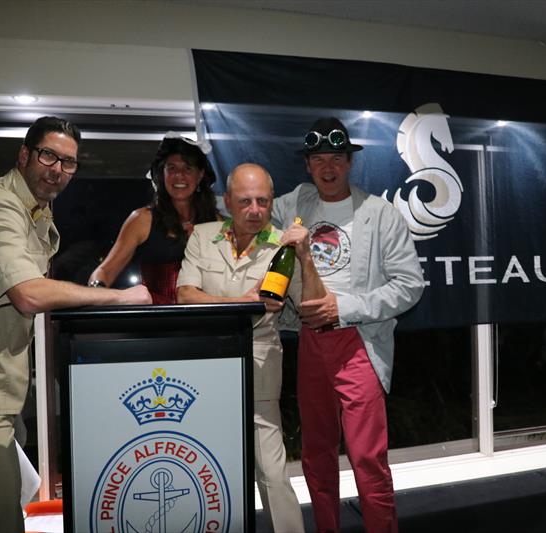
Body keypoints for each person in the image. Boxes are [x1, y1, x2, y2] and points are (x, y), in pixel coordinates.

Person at [0, 116, 152, 533]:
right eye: (48, 156)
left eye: (69, 163)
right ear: (24, 155)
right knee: (0, 511)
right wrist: (120, 295)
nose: (57, 169)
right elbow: (28, 293)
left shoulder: (35, 209)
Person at [271, 117, 424, 533]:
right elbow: (248, 208)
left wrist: (346, 307)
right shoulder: (293, 205)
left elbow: (410, 286)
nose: (327, 167)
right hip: (310, 342)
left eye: (335, 158)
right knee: (316, 454)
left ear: (349, 162)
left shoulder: (380, 213)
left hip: (358, 343)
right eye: (318, 159)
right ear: (307, 165)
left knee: (367, 457)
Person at [177, 163, 326, 533]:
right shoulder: (203, 235)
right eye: (245, 201)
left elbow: (314, 307)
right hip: (203, 362)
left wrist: (305, 255)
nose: (255, 210)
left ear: (272, 202)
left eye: (262, 201)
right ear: (227, 201)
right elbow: (185, 294)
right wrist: (243, 303)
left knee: (272, 470)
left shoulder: (283, 244)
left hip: (259, 359)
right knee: (206, 464)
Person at [88, 133, 219, 302]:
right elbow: (105, 271)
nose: (179, 175)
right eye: (171, 168)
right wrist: (95, 292)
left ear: (200, 175)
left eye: (188, 168)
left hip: (208, 321)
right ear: (161, 174)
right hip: (156, 322)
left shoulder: (217, 222)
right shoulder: (142, 219)